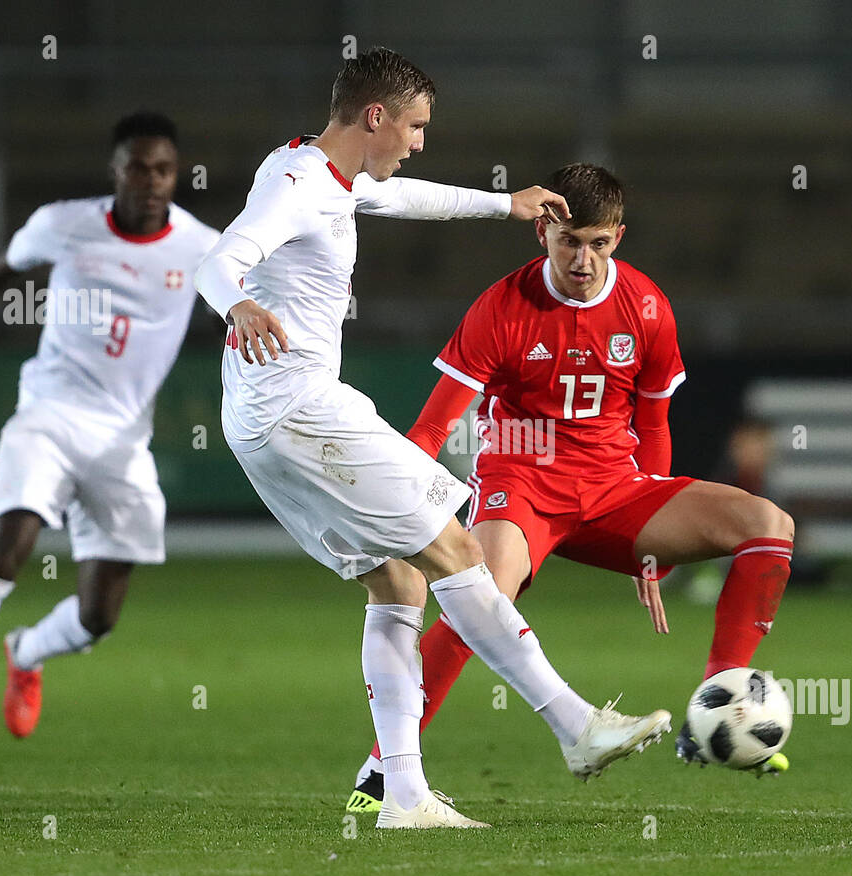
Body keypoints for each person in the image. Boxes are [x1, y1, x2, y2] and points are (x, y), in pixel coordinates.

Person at [194, 49, 670, 830]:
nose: (419, 141)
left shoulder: (309, 171)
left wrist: (501, 204)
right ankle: (575, 726)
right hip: (302, 409)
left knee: (399, 586)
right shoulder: (297, 185)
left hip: (260, 421)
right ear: (375, 116)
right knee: (459, 555)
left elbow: (395, 196)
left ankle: (404, 796)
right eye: (414, 126)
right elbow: (221, 260)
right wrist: (238, 306)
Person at [343, 163, 796, 814]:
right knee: (481, 595)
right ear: (543, 232)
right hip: (520, 480)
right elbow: (433, 424)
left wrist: (655, 539)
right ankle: (384, 772)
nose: (583, 259)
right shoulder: (502, 306)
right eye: (569, 242)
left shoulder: (645, 307)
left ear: (618, 236)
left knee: (768, 524)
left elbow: (652, 425)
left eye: (598, 243)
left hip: (615, 487)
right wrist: (398, 507)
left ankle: (716, 704)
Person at [0, 112, 221, 760]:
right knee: (8, 551)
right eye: (137, 166)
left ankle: (26, 652)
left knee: (98, 617)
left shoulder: (202, 247)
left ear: (176, 174)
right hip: (48, 415)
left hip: (123, 443)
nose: (150, 180)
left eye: (163, 169)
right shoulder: (63, 224)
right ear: (115, 170)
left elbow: (228, 314)